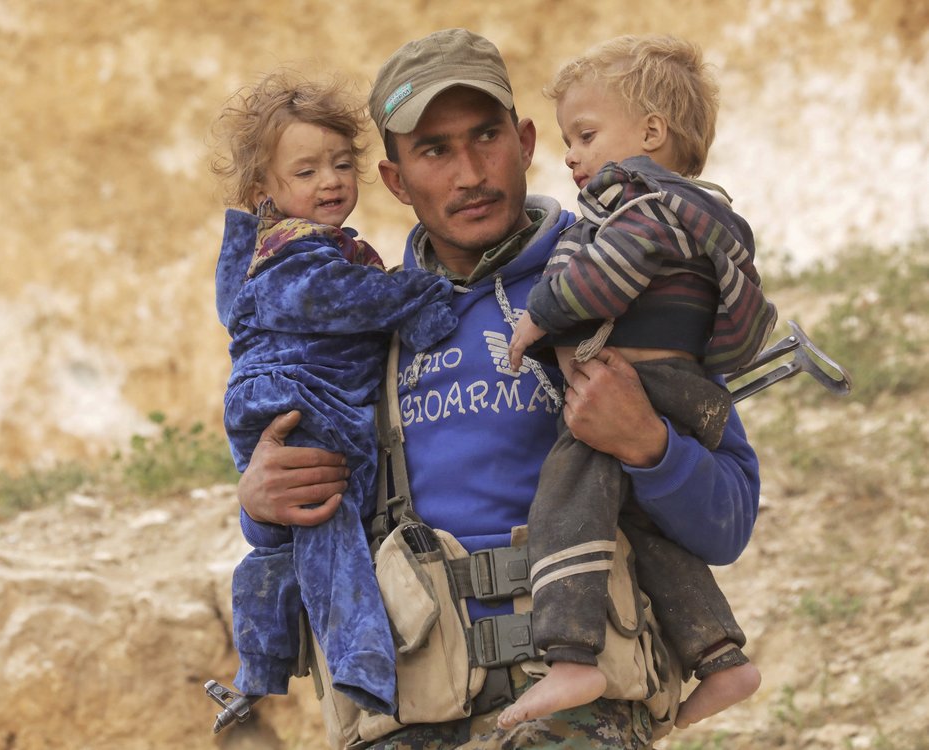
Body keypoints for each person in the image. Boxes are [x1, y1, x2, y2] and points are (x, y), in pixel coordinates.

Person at [236, 29, 762, 749]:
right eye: (434, 150)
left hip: (582, 719)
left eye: (486, 137)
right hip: (410, 718)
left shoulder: (630, 282)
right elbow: (301, 512)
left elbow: (728, 522)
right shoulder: (361, 327)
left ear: (524, 142)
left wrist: (648, 444)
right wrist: (263, 503)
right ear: (395, 180)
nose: (469, 172)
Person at [498, 35, 774, 731]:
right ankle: (720, 655)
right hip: (685, 387)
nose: (570, 155)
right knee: (646, 532)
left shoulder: (644, 206)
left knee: (569, 487)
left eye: (586, 135)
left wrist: (541, 315)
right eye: (568, 139)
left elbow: (604, 277)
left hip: (642, 384)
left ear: (651, 133)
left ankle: (570, 654)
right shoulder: (698, 212)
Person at [211, 70, 457, 715]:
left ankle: (260, 667)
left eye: (342, 165)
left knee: (287, 543)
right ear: (265, 190)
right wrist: (420, 296)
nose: (330, 181)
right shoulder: (299, 255)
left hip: (283, 398)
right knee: (329, 524)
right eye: (306, 172)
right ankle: (361, 662)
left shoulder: (304, 249)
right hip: (301, 398)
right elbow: (334, 298)